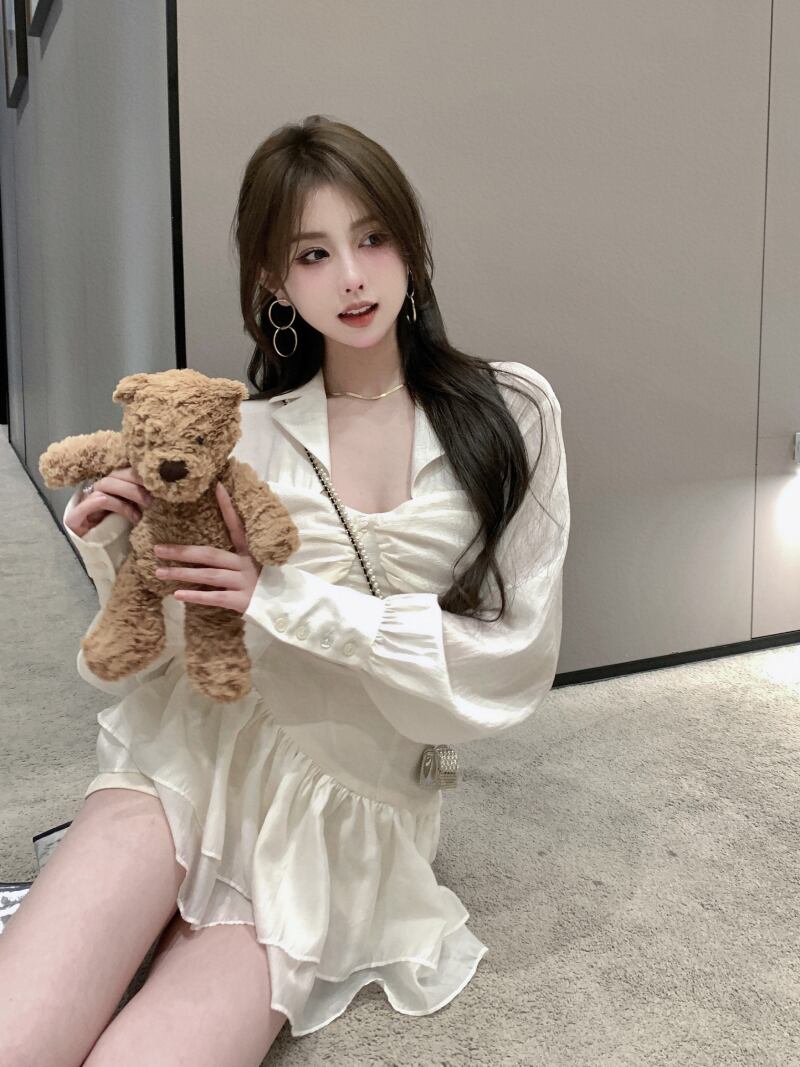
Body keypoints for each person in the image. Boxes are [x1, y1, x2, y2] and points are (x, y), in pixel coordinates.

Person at [0, 115, 570, 1066]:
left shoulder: (513, 410)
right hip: (194, 749)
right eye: (313, 253)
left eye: (372, 237)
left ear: (410, 242)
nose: (351, 276)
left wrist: (279, 597)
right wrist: (123, 544)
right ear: (275, 280)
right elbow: (175, 653)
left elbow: (511, 659)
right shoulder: (252, 435)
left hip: (341, 809)